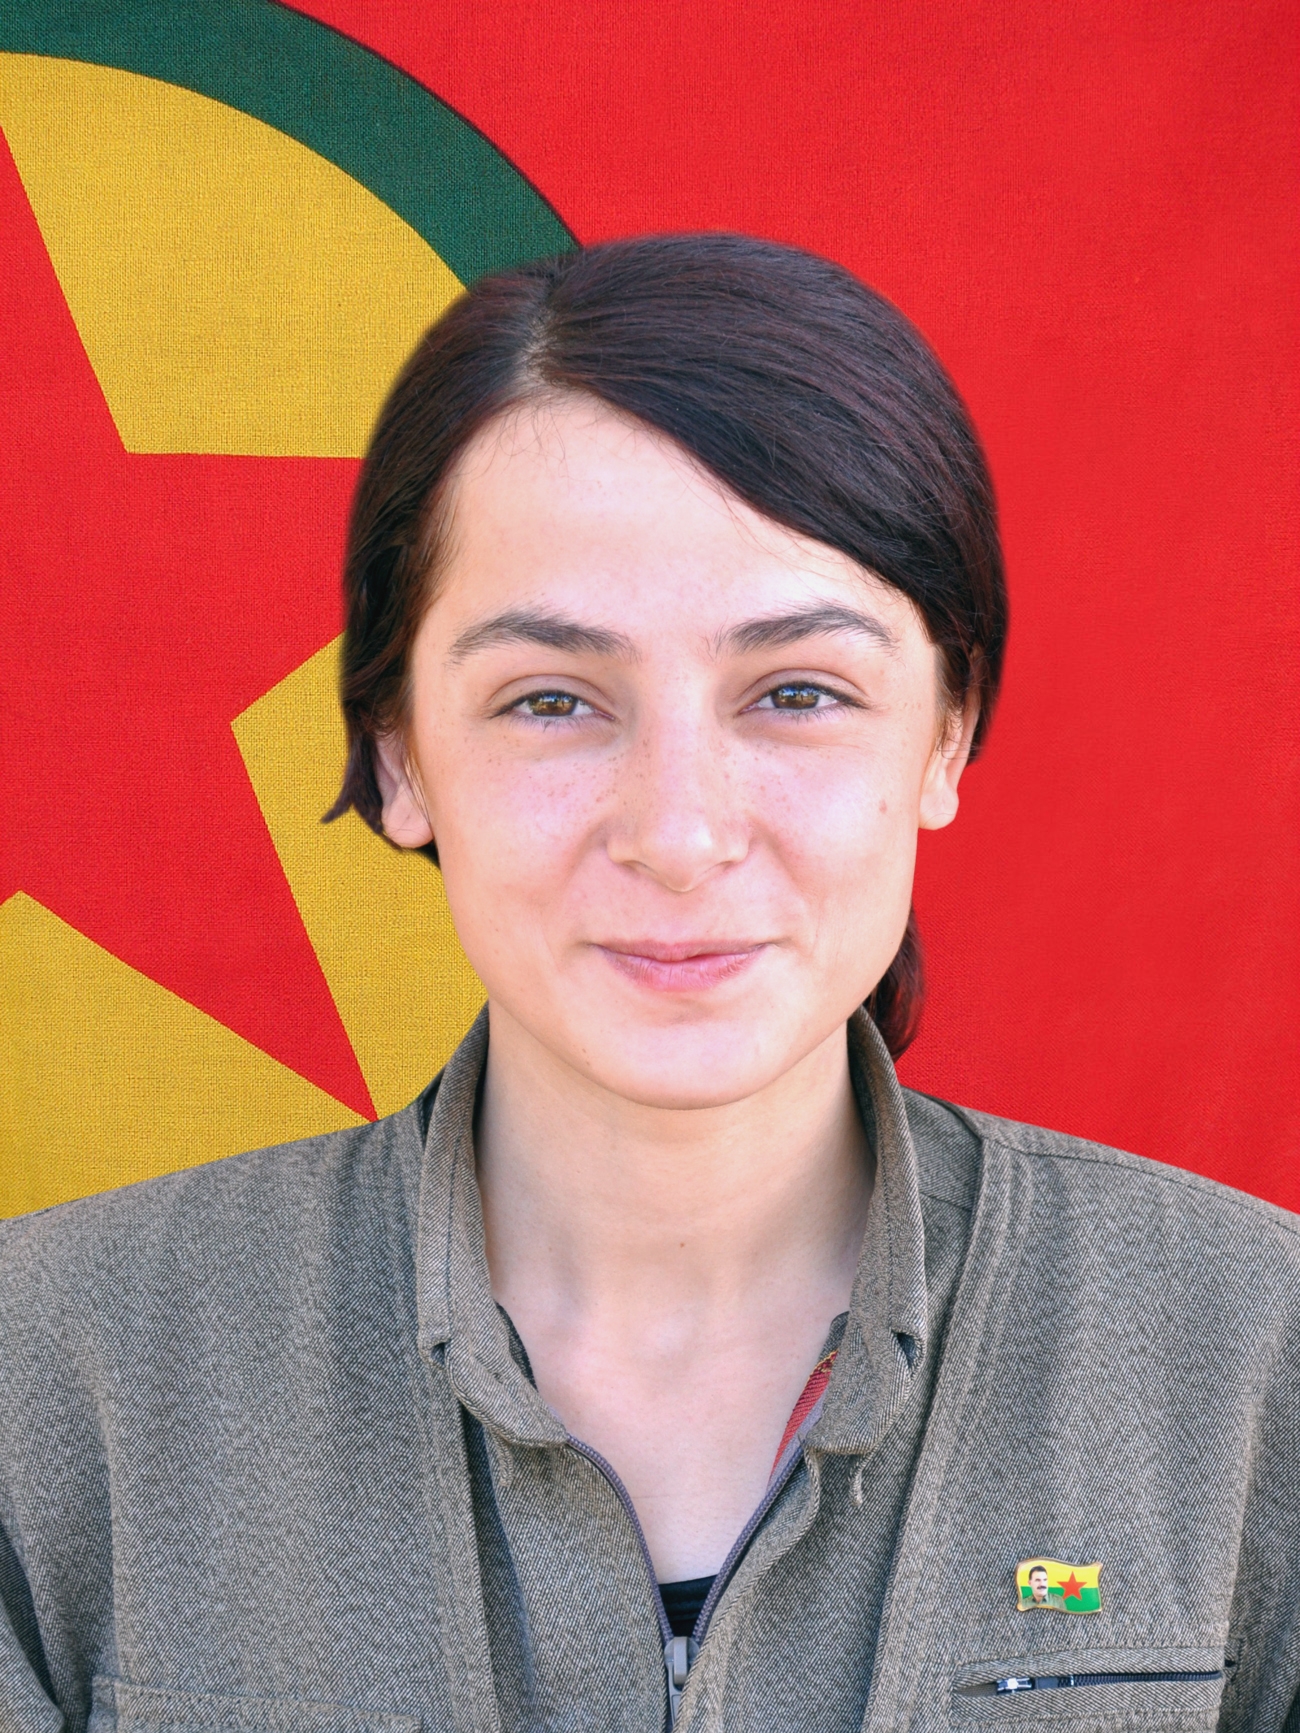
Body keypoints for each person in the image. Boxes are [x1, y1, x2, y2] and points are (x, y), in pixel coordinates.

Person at [1, 234, 1297, 1733]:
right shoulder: (45, 1382)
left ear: (946, 733)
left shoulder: (1256, 1355)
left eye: (798, 692)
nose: (679, 836)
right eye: (552, 700)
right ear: (399, 755)